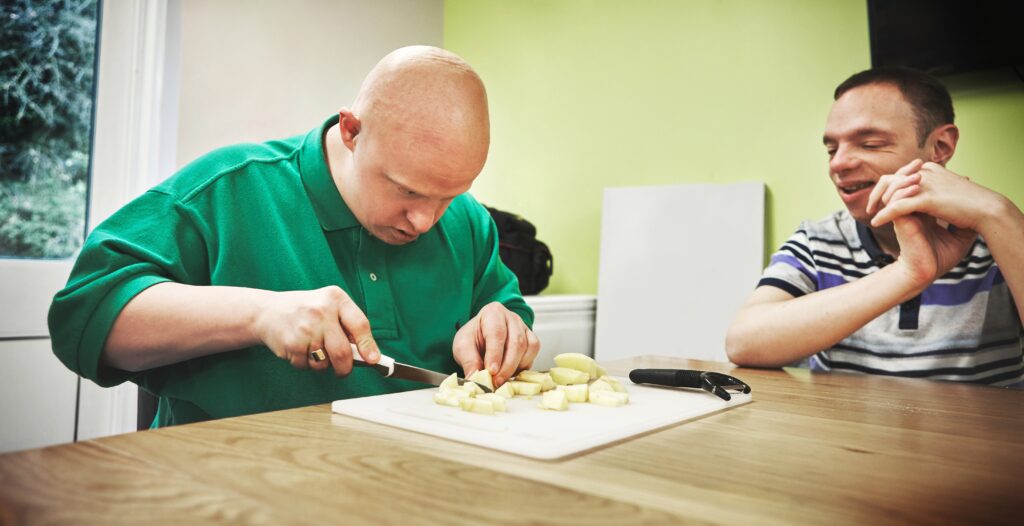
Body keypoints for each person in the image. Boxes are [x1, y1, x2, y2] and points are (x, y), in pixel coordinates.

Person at [48, 46, 540, 427]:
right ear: (351, 131)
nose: (425, 221)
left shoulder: (469, 223)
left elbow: (506, 309)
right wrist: (260, 314)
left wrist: (502, 326)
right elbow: (81, 319)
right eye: (406, 190)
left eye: (449, 195)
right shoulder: (228, 190)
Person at [725, 67, 1023, 386]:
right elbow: (743, 342)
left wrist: (997, 212)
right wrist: (908, 274)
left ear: (940, 147)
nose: (838, 163)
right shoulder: (819, 240)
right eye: (831, 149)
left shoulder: (1000, 234)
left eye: (869, 143)